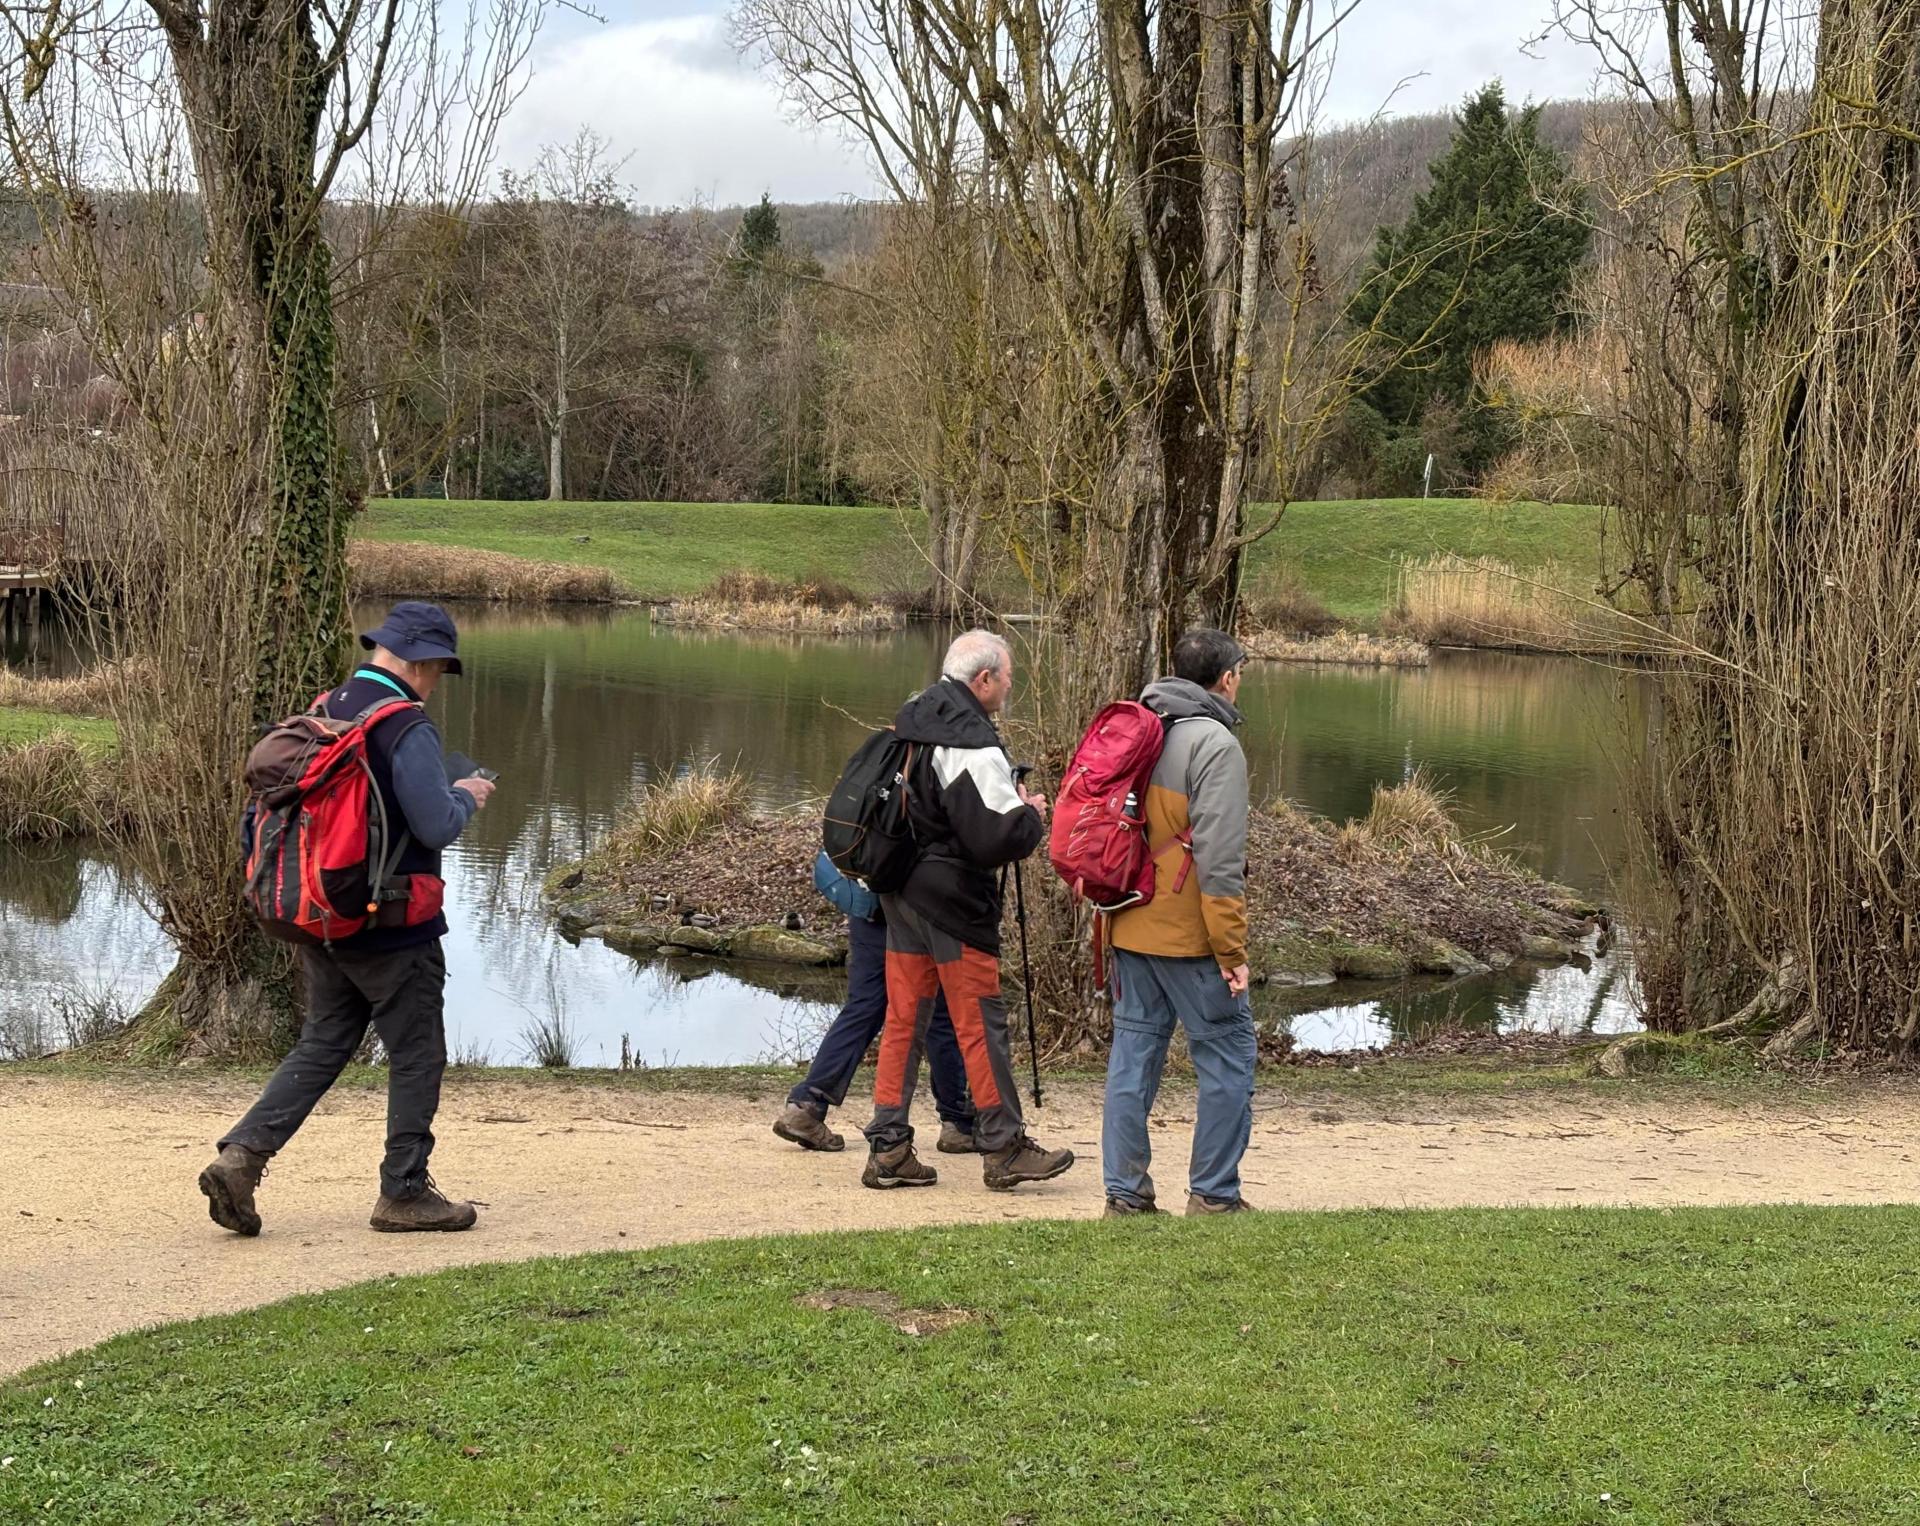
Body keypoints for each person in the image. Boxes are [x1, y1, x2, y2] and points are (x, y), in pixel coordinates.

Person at [197, 602, 496, 1237]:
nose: (437, 680)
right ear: (420, 662)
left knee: (325, 1040)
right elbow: (436, 823)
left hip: (319, 914)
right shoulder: (404, 724)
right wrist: (465, 795)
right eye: (439, 668)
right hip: (390, 926)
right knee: (417, 1052)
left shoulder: (331, 706)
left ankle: (242, 1158)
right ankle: (405, 1193)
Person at [862, 629, 1074, 1191]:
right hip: (953, 902)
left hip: (901, 890)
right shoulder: (971, 740)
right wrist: (1029, 812)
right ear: (983, 680)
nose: (1010, 685)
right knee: (980, 1023)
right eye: (1007, 676)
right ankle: (1004, 1149)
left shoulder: (915, 714)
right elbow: (995, 837)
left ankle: (888, 1148)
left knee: (903, 1020)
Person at [1102, 628, 1257, 1217]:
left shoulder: (1139, 727)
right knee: (1228, 1054)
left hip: (1127, 919)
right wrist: (1230, 948)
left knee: (1133, 1055)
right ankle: (1215, 1195)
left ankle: (1125, 1194)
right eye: (1241, 671)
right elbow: (1219, 861)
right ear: (1226, 679)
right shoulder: (1214, 744)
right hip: (1188, 936)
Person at [772, 852, 981, 1154]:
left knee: (864, 1007)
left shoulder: (867, 802)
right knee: (939, 1007)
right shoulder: (927, 801)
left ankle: (806, 1106)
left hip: (869, 902)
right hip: (919, 905)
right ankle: (958, 1123)